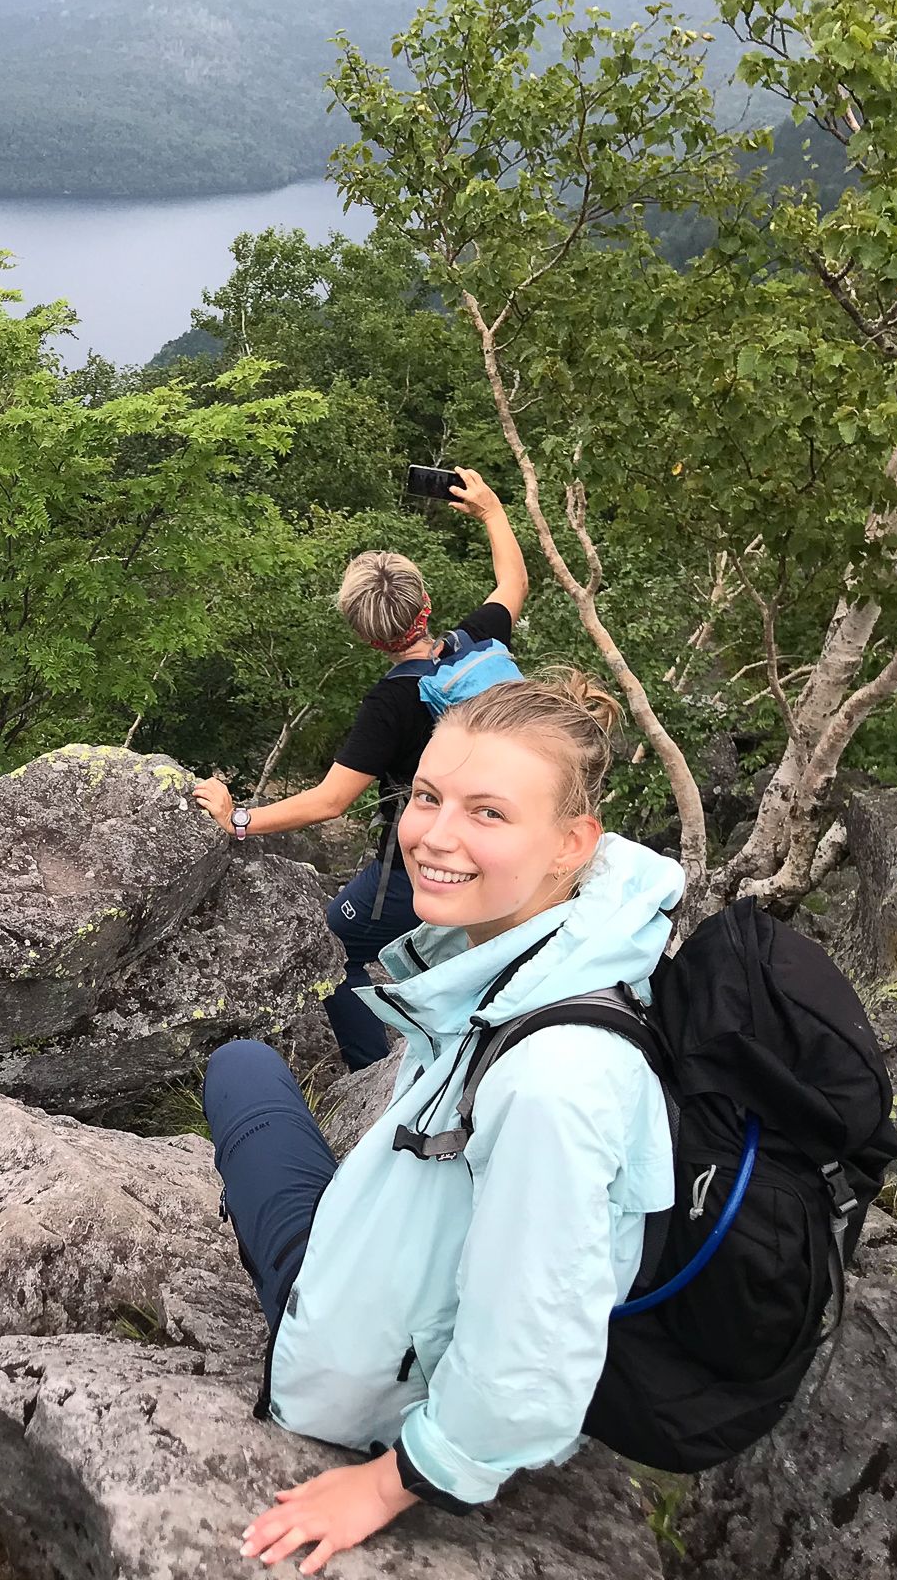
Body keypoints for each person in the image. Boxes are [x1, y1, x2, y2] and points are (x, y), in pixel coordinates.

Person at [199, 671, 679, 1573]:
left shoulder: (555, 1077)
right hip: (402, 1276)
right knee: (248, 1069)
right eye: (426, 796)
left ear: (575, 842)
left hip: (369, 1372)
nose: (433, 836)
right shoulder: (557, 946)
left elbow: (536, 1347)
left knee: (240, 1070)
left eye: (487, 813)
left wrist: (392, 1482)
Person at [193, 467, 529, 1069]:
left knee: (332, 945)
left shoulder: (390, 702)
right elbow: (513, 580)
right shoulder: (479, 644)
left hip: (429, 864)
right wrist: (490, 511)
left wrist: (236, 818)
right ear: (425, 604)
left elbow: (330, 801)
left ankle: (368, 1075)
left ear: (367, 638)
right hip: (513, 841)